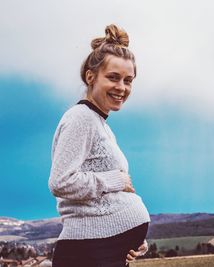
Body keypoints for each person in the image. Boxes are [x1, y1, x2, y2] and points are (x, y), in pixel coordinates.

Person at [48, 24, 151, 267]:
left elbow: (106, 197)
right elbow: (61, 182)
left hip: (103, 248)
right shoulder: (81, 118)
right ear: (91, 77)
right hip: (89, 251)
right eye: (113, 77)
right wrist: (115, 180)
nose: (122, 88)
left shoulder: (99, 123)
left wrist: (129, 235)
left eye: (128, 80)